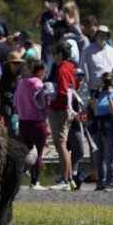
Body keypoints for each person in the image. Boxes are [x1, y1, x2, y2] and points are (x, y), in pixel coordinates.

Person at [14, 60, 48, 189]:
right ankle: (34, 182)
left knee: (24, 152)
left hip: (23, 122)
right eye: (43, 72)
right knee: (38, 153)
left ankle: (17, 179)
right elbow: (44, 104)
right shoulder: (39, 84)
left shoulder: (21, 83)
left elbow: (16, 102)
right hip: (37, 122)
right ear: (39, 71)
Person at [48, 42, 76, 190]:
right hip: (65, 109)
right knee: (63, 145)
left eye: (55, 53)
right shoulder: (69, 67)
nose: (53, 56)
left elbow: (63, 92)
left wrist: (51, 97)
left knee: (61, 145)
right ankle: (69, 178)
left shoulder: (62, 69)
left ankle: (64, 180)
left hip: (60, 110)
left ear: (60, 54)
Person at [88, 72, 113, 190]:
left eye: (107, 81)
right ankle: (100, 181)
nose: (106, 83)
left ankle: (111, 181)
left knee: (109, 156)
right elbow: (94, 109)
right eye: (104, 80)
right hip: (98, 125)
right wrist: (94, 96)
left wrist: (108, 96)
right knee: (98, 156)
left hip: (109, 126)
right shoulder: (99, 93)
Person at [81, 25, 113, 91]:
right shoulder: (88, 50)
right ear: (96, 36)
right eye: (100, 35)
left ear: (108, 37)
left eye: (105, 35)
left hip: (110, 89)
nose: (102, 37)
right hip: (94, 90)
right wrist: (87, 90)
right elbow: (84, 70)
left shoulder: (112, 50)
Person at [0, 52, 23, 137]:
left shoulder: (21, 75)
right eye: (14, 63)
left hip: (18, 106)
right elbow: (2, 91)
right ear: (9, 64)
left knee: (16, 130)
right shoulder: (4, 75)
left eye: (18, 63)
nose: (17, 65)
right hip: (7, 105)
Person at [40, 0, 64, 66]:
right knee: (47, 67)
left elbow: (62, 28)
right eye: (52, 1)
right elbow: (48, 29)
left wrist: (56, 14)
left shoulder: (62, 14)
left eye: (56, 1)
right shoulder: (45, 15)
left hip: (59, 46)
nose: (54, 3)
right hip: (47, 47)